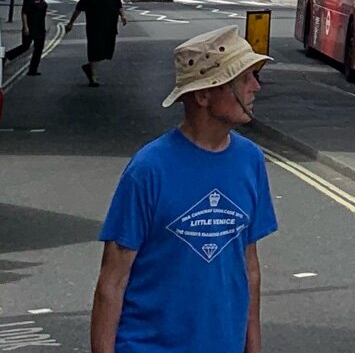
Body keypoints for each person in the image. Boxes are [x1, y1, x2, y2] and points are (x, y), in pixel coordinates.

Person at [92, 25, 274, 353]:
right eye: (243, 78)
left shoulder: (251, 160)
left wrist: (253, 346)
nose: (255, 87)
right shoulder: (148, 169)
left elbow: (249, 266)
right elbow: (112, 281)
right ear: (203, 95)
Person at [67, 0, 126, 86]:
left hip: (110, 25)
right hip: (95, 25)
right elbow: (80, 7)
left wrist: (122, 15)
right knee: (94, 49)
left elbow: (118, 3)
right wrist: (71, 22)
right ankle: (93, 76)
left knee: (107, 50)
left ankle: (90, 67)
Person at [22, 0, 50, 76]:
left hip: (40, 27)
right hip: (30, 26)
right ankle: (7, 56)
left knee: (38, 49)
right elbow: (24, 13)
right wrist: (26, 27)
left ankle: (33, 70)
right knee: (25, 47)